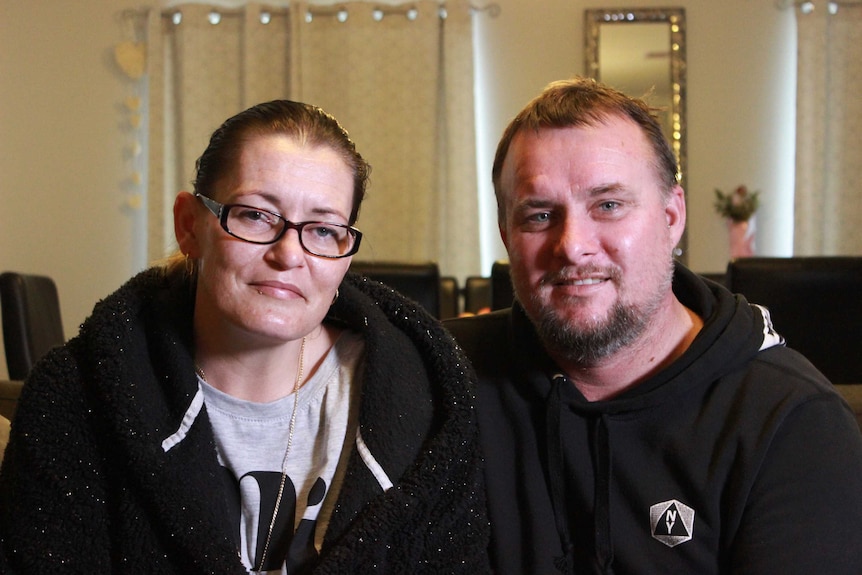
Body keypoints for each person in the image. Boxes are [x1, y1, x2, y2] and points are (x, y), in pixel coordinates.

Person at [0, 100, 489, 573]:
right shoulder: (75, 397)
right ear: (190, 226)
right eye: (256, 215)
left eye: (322, 230)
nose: (289, 254)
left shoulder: (426, 401)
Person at [446, 77, 862, 574]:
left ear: (671, 217)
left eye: (608, 205)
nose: (573, 245)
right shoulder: (443, 378)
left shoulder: (790, 422)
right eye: (539, 215)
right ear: (507, 237)